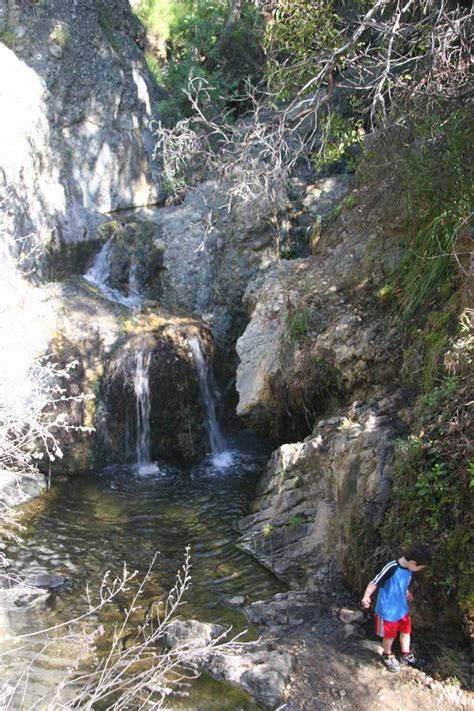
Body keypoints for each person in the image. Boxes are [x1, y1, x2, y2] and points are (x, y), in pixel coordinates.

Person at [361, 543, 432, 672]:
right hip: (388, 610)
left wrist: (406, 592)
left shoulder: (409, 569)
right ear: (412, 562)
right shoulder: (391, 567)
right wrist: (366, 596)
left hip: (402, 609)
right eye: (420, 567)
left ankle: (405, 653)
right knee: (389, 635)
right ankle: (387, 654)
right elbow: (375, 581)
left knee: (406, 631)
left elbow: (401, 583)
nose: (420, 570)